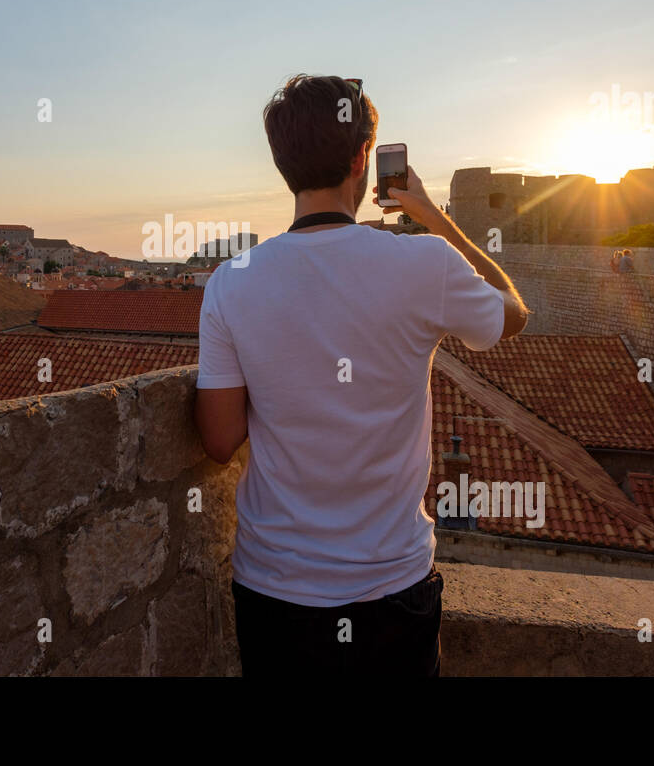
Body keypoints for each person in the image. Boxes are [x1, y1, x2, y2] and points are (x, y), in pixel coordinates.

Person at [194, 74, 528, 678]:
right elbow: (513, 314)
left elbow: (218, 441)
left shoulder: (231, 281)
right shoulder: (423, 264)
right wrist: (433, 218)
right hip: (390, 590)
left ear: (282, 164)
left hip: (275, 592)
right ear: (362, 159)